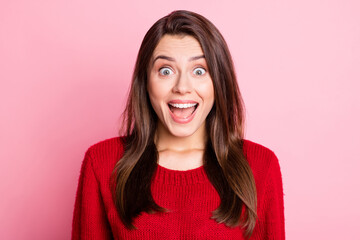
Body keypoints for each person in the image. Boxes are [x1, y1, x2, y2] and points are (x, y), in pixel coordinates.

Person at [71, 10, 285, 240]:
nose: (182, 87)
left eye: (199, 71)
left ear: (219, 82)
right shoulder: (101, 163)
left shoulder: (260, 166)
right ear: (145, 82)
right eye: (166, 71)